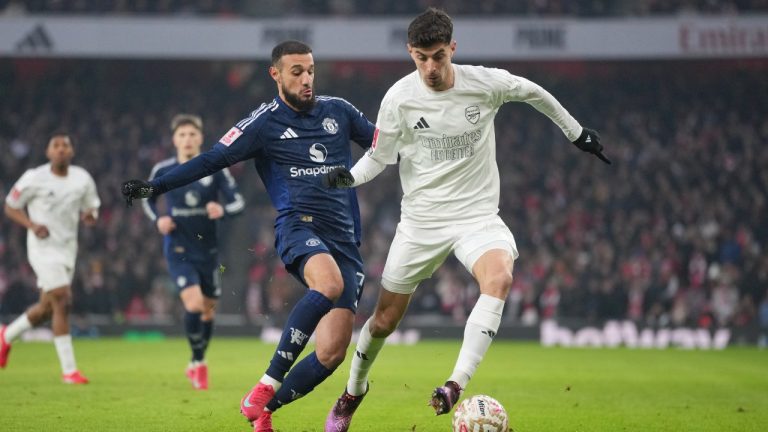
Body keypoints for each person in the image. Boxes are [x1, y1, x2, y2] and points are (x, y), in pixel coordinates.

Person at [323, 8, 610, 431]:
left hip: (477, 216)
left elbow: (533, 92)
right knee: (383, 321)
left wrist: (576, 133)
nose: (431, 67)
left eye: (438, 56)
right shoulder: (399, 98)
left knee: (500, 279)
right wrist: (349, 178)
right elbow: (378, 158)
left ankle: (454, 385)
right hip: (420, 223)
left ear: (452, 48)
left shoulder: (484, 83)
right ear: (410, 53)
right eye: (421, 57)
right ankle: (353, 392)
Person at [121, 40, 375, 431]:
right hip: (299, 226)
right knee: (327, 284)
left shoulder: (338, 111)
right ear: (275, 74)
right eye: (296, 72)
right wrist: (155, 188)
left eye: (310, 70)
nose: (307, 79)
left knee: (332, 352)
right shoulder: (263, 123)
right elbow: (210, 159)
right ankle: (266, 383)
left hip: (344, 239)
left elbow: (383, 144)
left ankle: (265, 411)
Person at [141, 114, 245, 390]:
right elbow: (145, 198)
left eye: (192, 134)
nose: (187, 139)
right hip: (178, 247)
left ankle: (196, 359)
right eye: (182, 135)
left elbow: (238, 204)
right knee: (195, 304)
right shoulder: (163, 170)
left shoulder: (216, 169)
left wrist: (222, 209)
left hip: (208, 250)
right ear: (175, 140)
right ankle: (199, 364)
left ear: (200, 138)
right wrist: (157, 220)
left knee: (209, 312)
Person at [1, 133, 101, 384]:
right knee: (63, 299)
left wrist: (91, 216)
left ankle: (5, 336)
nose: (60, 150)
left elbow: (92, 207)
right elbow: (11, 206)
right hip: (42, 249)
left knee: (47, 308)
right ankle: (69, 371)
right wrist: (32, 225)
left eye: (65, 145)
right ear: (48, 152)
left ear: (72, 151)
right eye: (55, 146)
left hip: (68, 249)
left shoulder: (82, 178)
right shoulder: (34, 178)